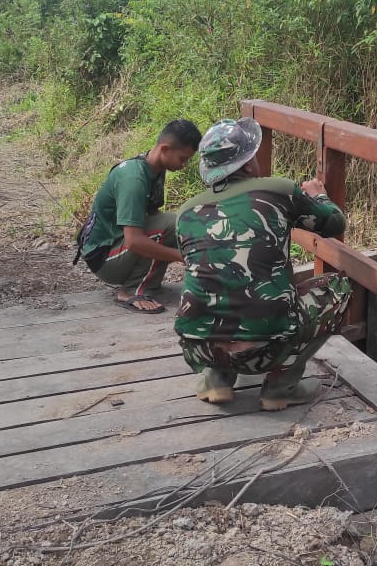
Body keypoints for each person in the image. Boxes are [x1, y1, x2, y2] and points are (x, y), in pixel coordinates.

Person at [174, 117, 352, 411]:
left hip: (200, 346)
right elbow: (334, 223)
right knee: (339, 288)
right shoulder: (278, 190)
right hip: (270, 346)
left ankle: (216, 378)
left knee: (213, 289)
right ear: (246, 165)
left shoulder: (185, 212)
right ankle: (281, 387)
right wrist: (319, 195)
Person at [76, 119, 202, 313]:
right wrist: (181, 256)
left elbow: (154, 218)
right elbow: (134, 241)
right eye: (182, 158)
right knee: (163, 229)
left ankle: (148, 283)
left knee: (176, 224)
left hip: (117, 246)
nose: (184, 165)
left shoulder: (154, 169)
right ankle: (132, 290)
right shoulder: (134, 179)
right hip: (104, 258)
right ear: (165, 149)